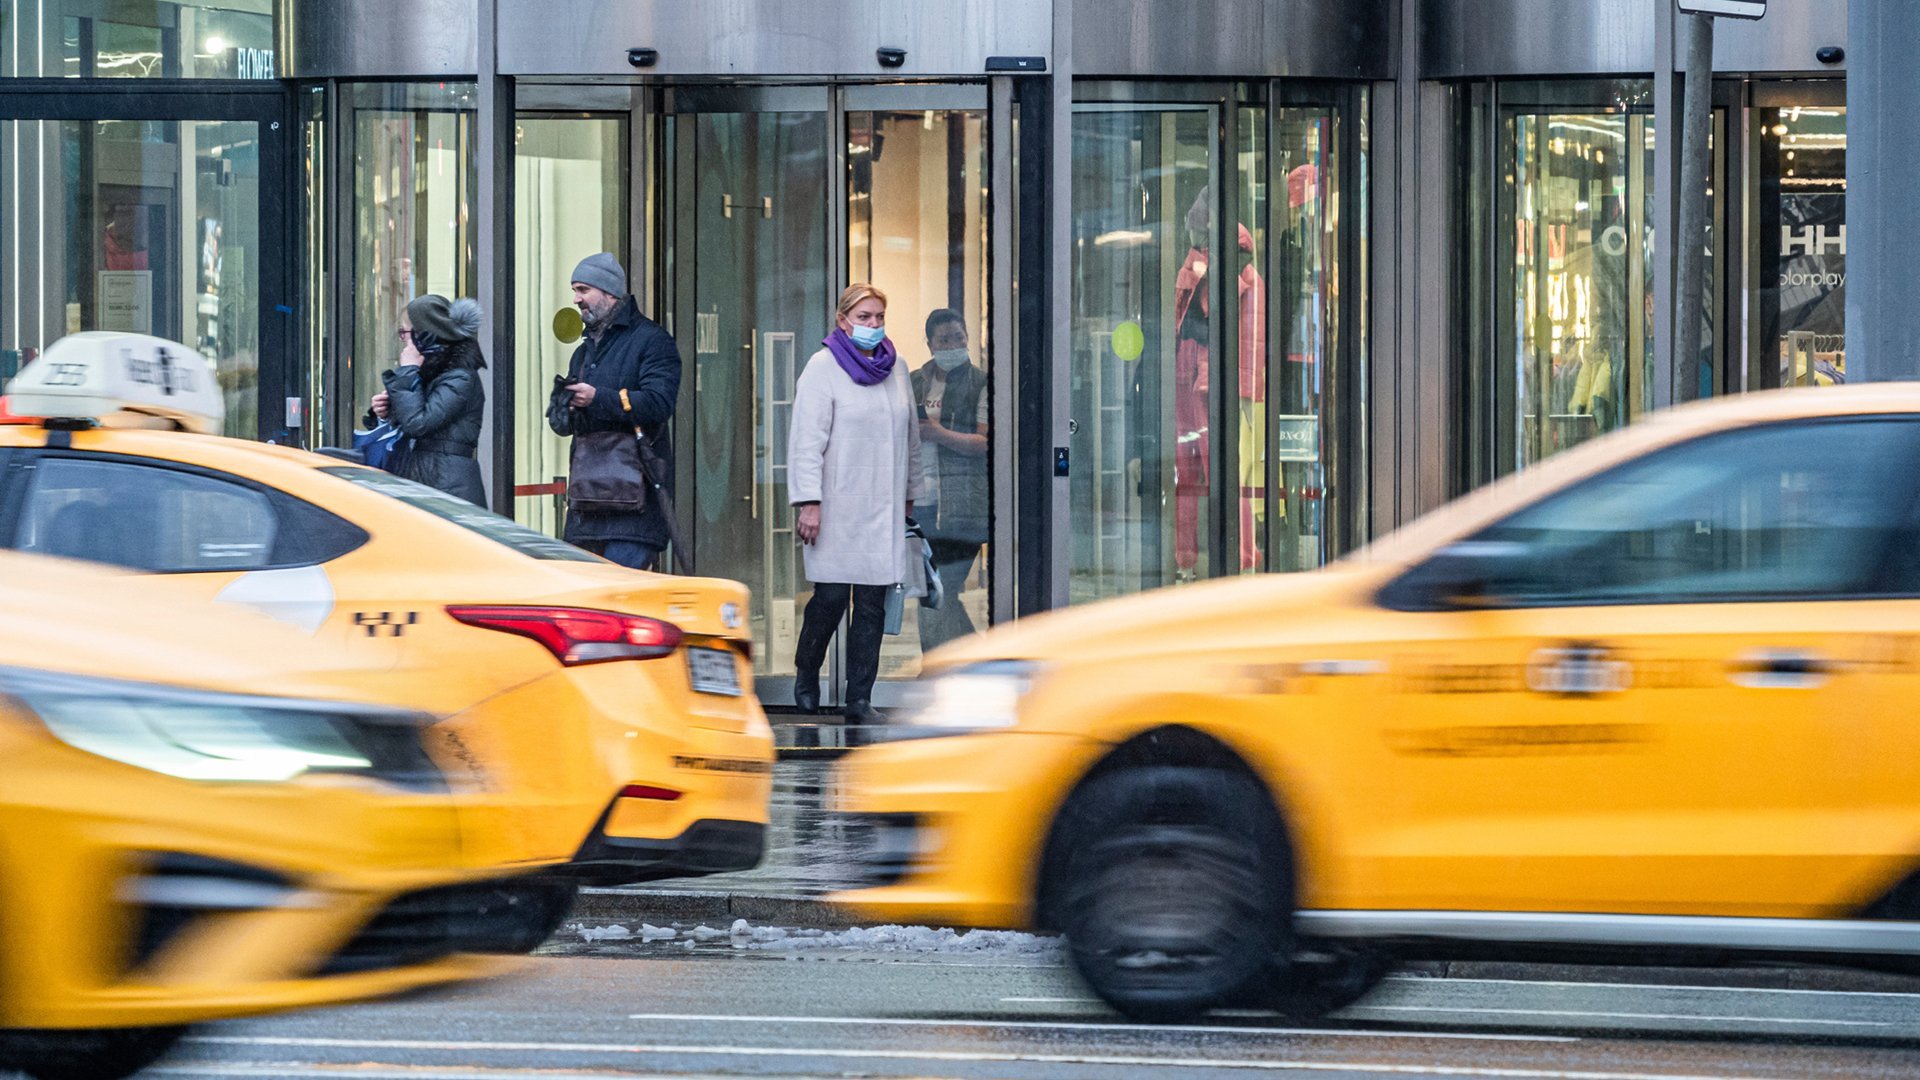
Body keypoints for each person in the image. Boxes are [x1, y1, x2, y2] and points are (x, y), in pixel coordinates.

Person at [788, 283, 926, 725]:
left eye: (878, 318)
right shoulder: (822, 367)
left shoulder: (897, 367)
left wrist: (910, 493)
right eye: (863, 317)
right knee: (829, 600)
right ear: (842, 320)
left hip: (883, 507)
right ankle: (807, 673)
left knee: (871, 604)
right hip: (837, 505)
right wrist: (809, 502)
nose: (872, 326)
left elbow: (911, 437)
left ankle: (859, 700)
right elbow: (806, 442)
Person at [545, 253, 682, 571]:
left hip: (633, 509)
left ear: (610, 292)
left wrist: (598, 398)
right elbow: (567, 425)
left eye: (583, 290)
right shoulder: (583, 353)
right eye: (575, 291)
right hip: (586, 507)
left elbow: (660, 402)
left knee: (619, 604)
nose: (577, 299)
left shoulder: (652, 341)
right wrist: (562, 406)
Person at [909, 308, 988, 651]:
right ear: (929, 344)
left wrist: (939, 433)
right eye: (944, 339)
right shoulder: (913, 381)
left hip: (963, 504)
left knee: (939, 590)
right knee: (930, 590)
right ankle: (965, 665)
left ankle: (944, 667)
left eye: (959, 336)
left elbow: (986, 443)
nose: (954, 344)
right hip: (921, 503)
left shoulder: (981, 382)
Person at [369, 294, 487, 505]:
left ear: (425, 334)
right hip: (428, 476)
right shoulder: (430, 373)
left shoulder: (460, 376)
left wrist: (408, 371)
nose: (403, 339)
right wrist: (387, 413)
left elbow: (419, 423)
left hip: (448, 484)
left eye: (404, 332)